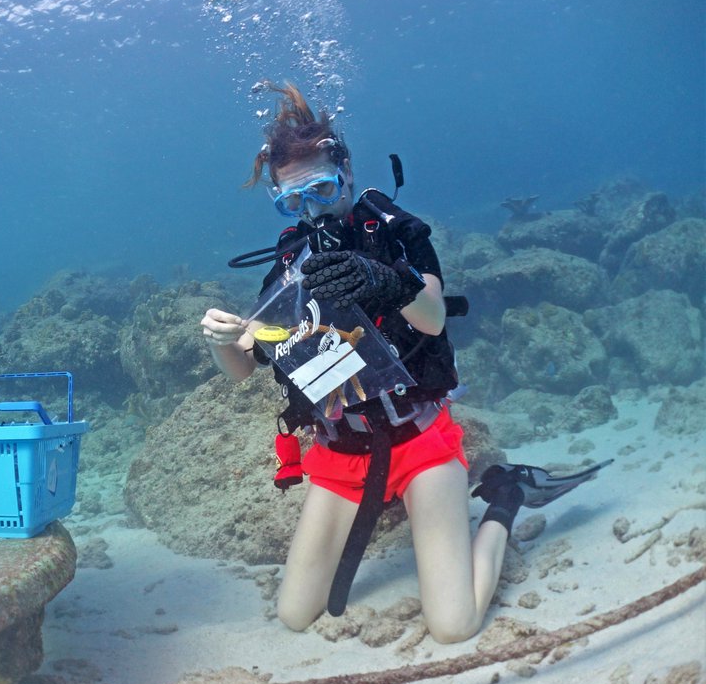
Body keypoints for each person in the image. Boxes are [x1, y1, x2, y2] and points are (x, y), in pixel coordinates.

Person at [200, 82, 603, 642]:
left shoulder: (396, 232)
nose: (312, 210)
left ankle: (506, 494)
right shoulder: (291, 260)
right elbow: (244, 367)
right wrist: (222, 341)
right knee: (293, 613)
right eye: (293, 201)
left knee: (454, 625)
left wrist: (384, 280)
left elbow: (433, 318)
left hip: (418, 440)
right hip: (340, 448)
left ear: (345, 173)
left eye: (321, 189)